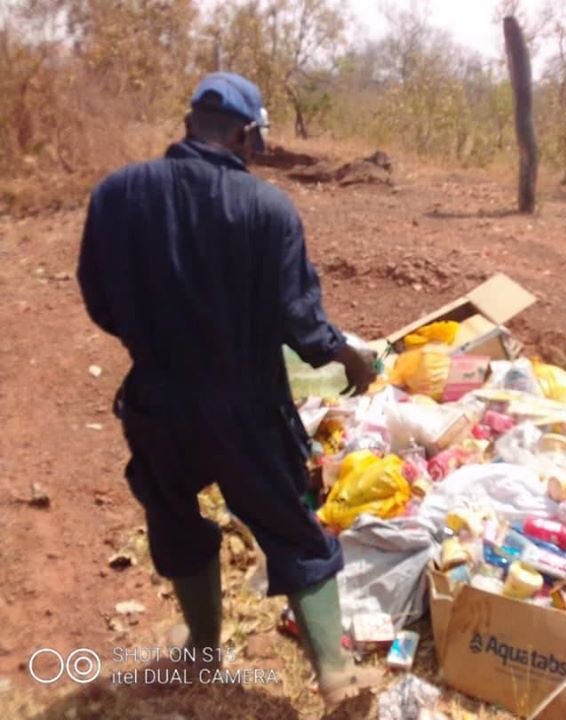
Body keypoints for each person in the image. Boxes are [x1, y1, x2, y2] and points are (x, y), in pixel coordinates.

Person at [77, 72, 379, 704]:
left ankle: (201, 648)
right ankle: (333, 674)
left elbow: (99, 299)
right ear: (246, 135)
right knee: (291, 527)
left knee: (173, 518)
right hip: (246, 407)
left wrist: (155, 344)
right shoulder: (267, 209)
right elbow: (301, 322)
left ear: (190, 124)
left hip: (157, 399)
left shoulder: (117, 194)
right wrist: (350, 359)